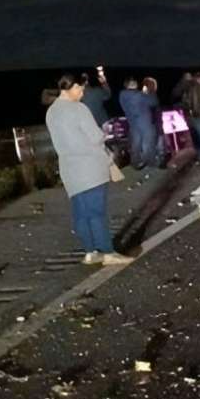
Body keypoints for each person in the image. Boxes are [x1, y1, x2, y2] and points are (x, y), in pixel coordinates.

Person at [45, 74, 133, 266]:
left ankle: (90, 252)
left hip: (69, 169)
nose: (82, 93)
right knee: (96, 212)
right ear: (72, 87)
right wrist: (105, 133)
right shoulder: (78, 108)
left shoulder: (51, 112)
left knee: (81, 213)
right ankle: (108, 252)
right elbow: (95, 137)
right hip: (90, 166)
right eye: (80, 89)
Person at [119, 77, 160, 169]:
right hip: (145, 123)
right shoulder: (139, 95)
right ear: (132, 84)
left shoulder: (122, 94)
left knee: (136, 144)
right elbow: (154, 102)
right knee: (148, 144)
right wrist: (149, 92)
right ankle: (150, 164)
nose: (137, 83)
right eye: (135, 82)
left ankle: (135, 163)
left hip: (132, 122)